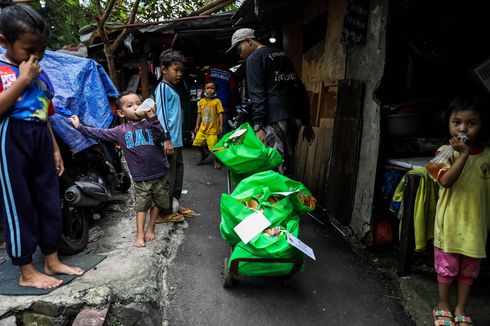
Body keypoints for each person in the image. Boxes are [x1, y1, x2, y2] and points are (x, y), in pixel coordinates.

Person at [0, 3, 84, 289]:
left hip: (40, 137)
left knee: (50, 200)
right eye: (28, 50)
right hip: (11, 137)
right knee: (19, 203)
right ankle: (26, 271)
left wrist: (55, 149)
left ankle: (51, 258)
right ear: (4, 42)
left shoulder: (41, 73)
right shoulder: (4, 70)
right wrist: (22, 80)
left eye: (41, 51)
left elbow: (45, 114)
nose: (35, 57)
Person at [70, 91, 181, 248]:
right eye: (130, 105)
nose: (136, 107)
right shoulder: (120, 131)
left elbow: (161, 136)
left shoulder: (151, 124)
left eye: (138, 103)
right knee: (141, 206)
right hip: (141, 177)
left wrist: (154, 118)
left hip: (160, 173)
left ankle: (151, 227)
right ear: (121, 113)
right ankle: (140, 234)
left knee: (158, 202)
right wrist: (79, 126)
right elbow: (98, 133)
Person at [429, 96, 490, 326]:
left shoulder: (487, 156)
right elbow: (445, 182)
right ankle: (443, 305)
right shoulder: (443, 152)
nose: (463, 128)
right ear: (448, 124)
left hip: (476, 226)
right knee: (447, 268)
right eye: (457, 122)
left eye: (471, 123)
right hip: (450, 225)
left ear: (482, 125)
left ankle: (461, 309)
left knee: (469, 272)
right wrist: (463, 154)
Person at [226, 28, 315, 174]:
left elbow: (257, 95)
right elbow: (299, 88)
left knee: (274, 165)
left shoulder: (254, 59)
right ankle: (288, 194)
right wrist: (306, 121)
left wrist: (258, 125)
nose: (240, 54)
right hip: (293, 117)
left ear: (248, 41)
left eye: (239, 49)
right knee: (286, 162)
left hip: (274, 119)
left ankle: (278, 196)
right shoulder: (282, 55)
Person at [154, 49, 198, 219]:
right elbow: (162, 116)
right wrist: (166, 139)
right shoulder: (163, 88)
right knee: (168, 178)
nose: (179, 74)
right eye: (176, 70)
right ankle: (163, 212)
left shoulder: (172, 88)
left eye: (181, 70)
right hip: (168, 141)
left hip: (176, 141)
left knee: (177, 173)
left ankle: (175, 203)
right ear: (164, 69)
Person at [193, 80, 224, 169]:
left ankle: (216, 161)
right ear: (204, 90)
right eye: (207, 88)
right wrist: (197, 125)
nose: (209, 90)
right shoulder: (201, 101)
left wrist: (221, 125)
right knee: (197, 143)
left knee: (213, 148)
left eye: (212, 88)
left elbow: (220, 113)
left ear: (215, 90)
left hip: (213, 130)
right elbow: (199, 114)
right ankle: (203, 154)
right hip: (203, 128)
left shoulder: (217, 101)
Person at [202, 63, 239, 134]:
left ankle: (211, 144)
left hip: (210, 103)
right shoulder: (229, 73)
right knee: (223, 129)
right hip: (223, 103)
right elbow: (232, 89)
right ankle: (222, 143)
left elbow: (206, 85)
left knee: (209, 128)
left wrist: (203, 99)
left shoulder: (211, 70)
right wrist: (233, 104)